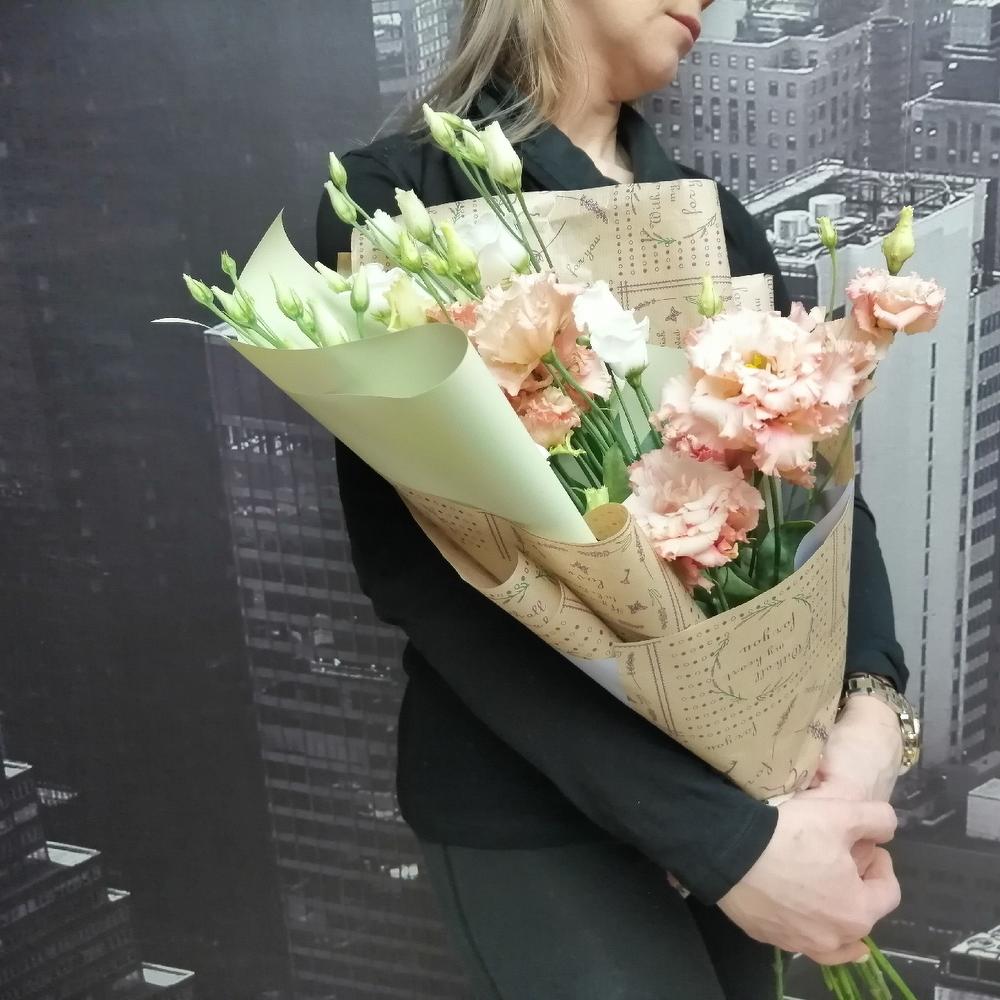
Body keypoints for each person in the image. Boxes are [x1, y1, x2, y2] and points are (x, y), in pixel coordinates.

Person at [317, 2, 914, 997]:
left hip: (761, 793)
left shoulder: (714, 216)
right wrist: (722, 843)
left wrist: (868, 717)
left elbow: (812, 498)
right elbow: (427, 575)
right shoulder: (396, 201)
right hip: (540, 802)